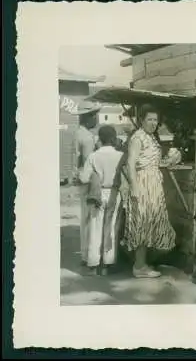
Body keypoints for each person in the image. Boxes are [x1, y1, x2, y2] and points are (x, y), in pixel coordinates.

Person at [121, 103, 181, 278]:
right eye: (150, 119)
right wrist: (134, 187)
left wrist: (170, 160)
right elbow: (130, 163)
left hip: (154, 183)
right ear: (141, 120)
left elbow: (152, 161)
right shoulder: (138, 138)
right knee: (142, 224)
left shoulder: (151, 137)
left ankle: (143, 263)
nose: (153, 123)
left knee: (153, 224)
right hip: (143, 184)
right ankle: (139, 266)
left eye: (156, 120)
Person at [79, 125, 124, 276]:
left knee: (95, 227)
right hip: (114, 192)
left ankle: (93, 264)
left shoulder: (93, 156)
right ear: (113, 138)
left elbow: (84, 178)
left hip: (97, 194)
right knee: (110, 228)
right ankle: (107, 264)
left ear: (100, 138)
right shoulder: (120, 155)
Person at [71, 101, 101, 267]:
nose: (96, 118)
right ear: (88, 117)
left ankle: (85, 254)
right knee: (91, 219)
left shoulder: (78, 133)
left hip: (81, 178)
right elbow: (90, 163)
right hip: (88, 180)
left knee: (85, 218)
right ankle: (89, 255)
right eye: (94, 114)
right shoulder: (88, 138)